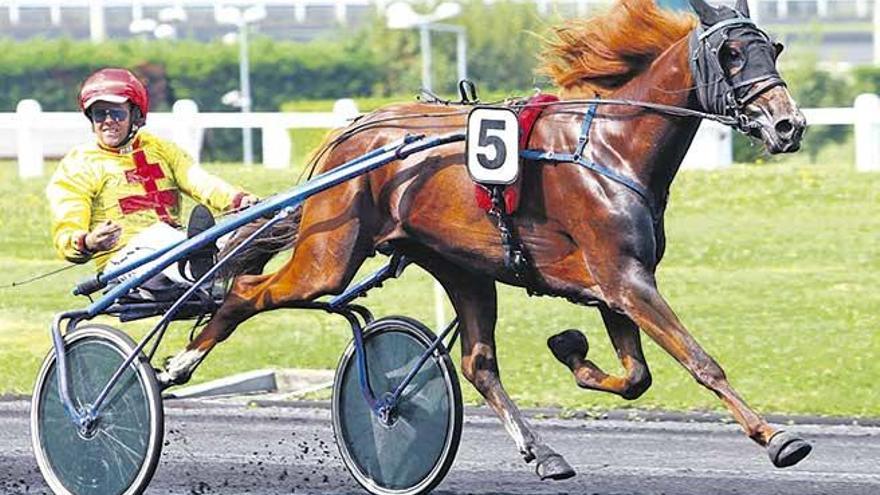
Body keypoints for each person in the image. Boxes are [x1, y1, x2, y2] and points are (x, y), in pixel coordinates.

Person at [46, 67, 258, 292]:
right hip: (123, 263)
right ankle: (198, 265)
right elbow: (67, 226)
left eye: (117, 114)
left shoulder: (161, 149)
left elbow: (199, 181)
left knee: (239, 231)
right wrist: (87, 241)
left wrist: (238, 201)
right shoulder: (79, 164)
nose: (108, 121)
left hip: (173, 248)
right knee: (160, 235)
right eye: (100, 114)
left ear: (136, 115)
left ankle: (202, 260)